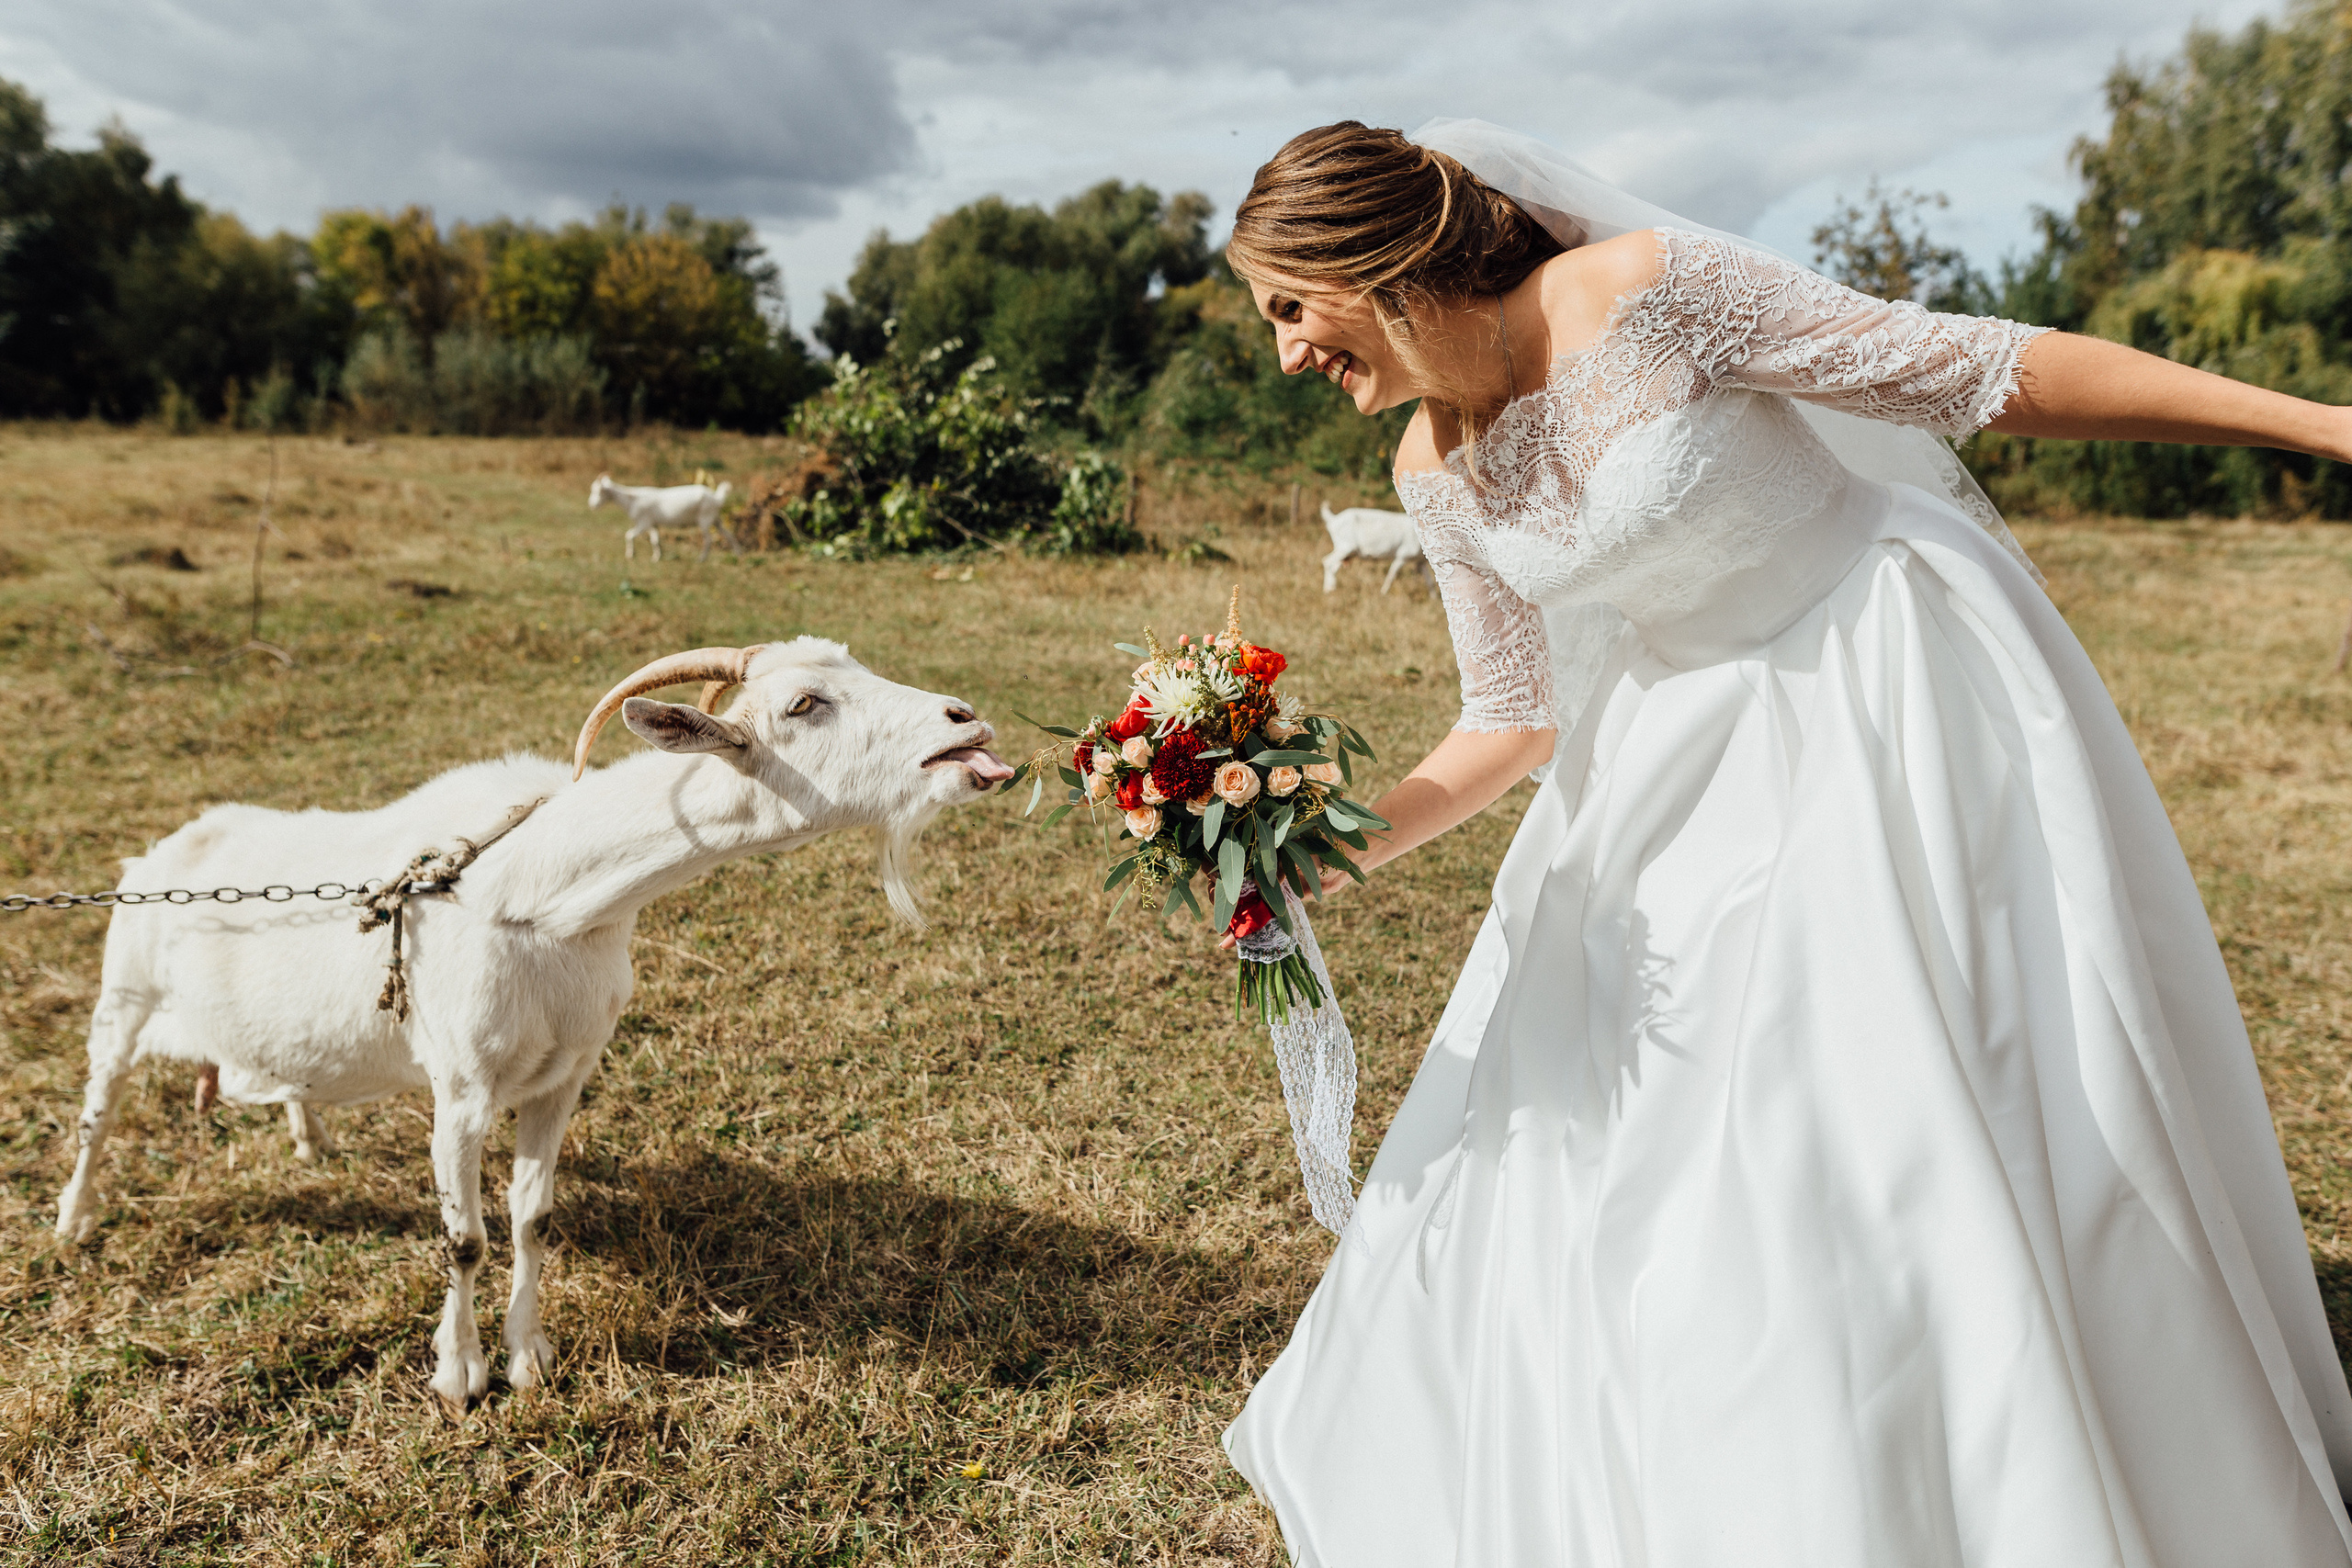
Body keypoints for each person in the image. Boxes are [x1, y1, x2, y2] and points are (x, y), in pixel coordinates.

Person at [1216, 118, 2352, 1567]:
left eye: (1287, 308)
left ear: (1363, 261)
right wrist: (1319, 852)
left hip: (1886, 681)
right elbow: (1506, 719)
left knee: (1911, 1082)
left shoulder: (1650, 289)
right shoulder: (1434, 469)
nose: (1286, 354)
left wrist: (2322, 426)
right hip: (1675, 753)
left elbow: (1982, 370)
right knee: (1669, 1127)